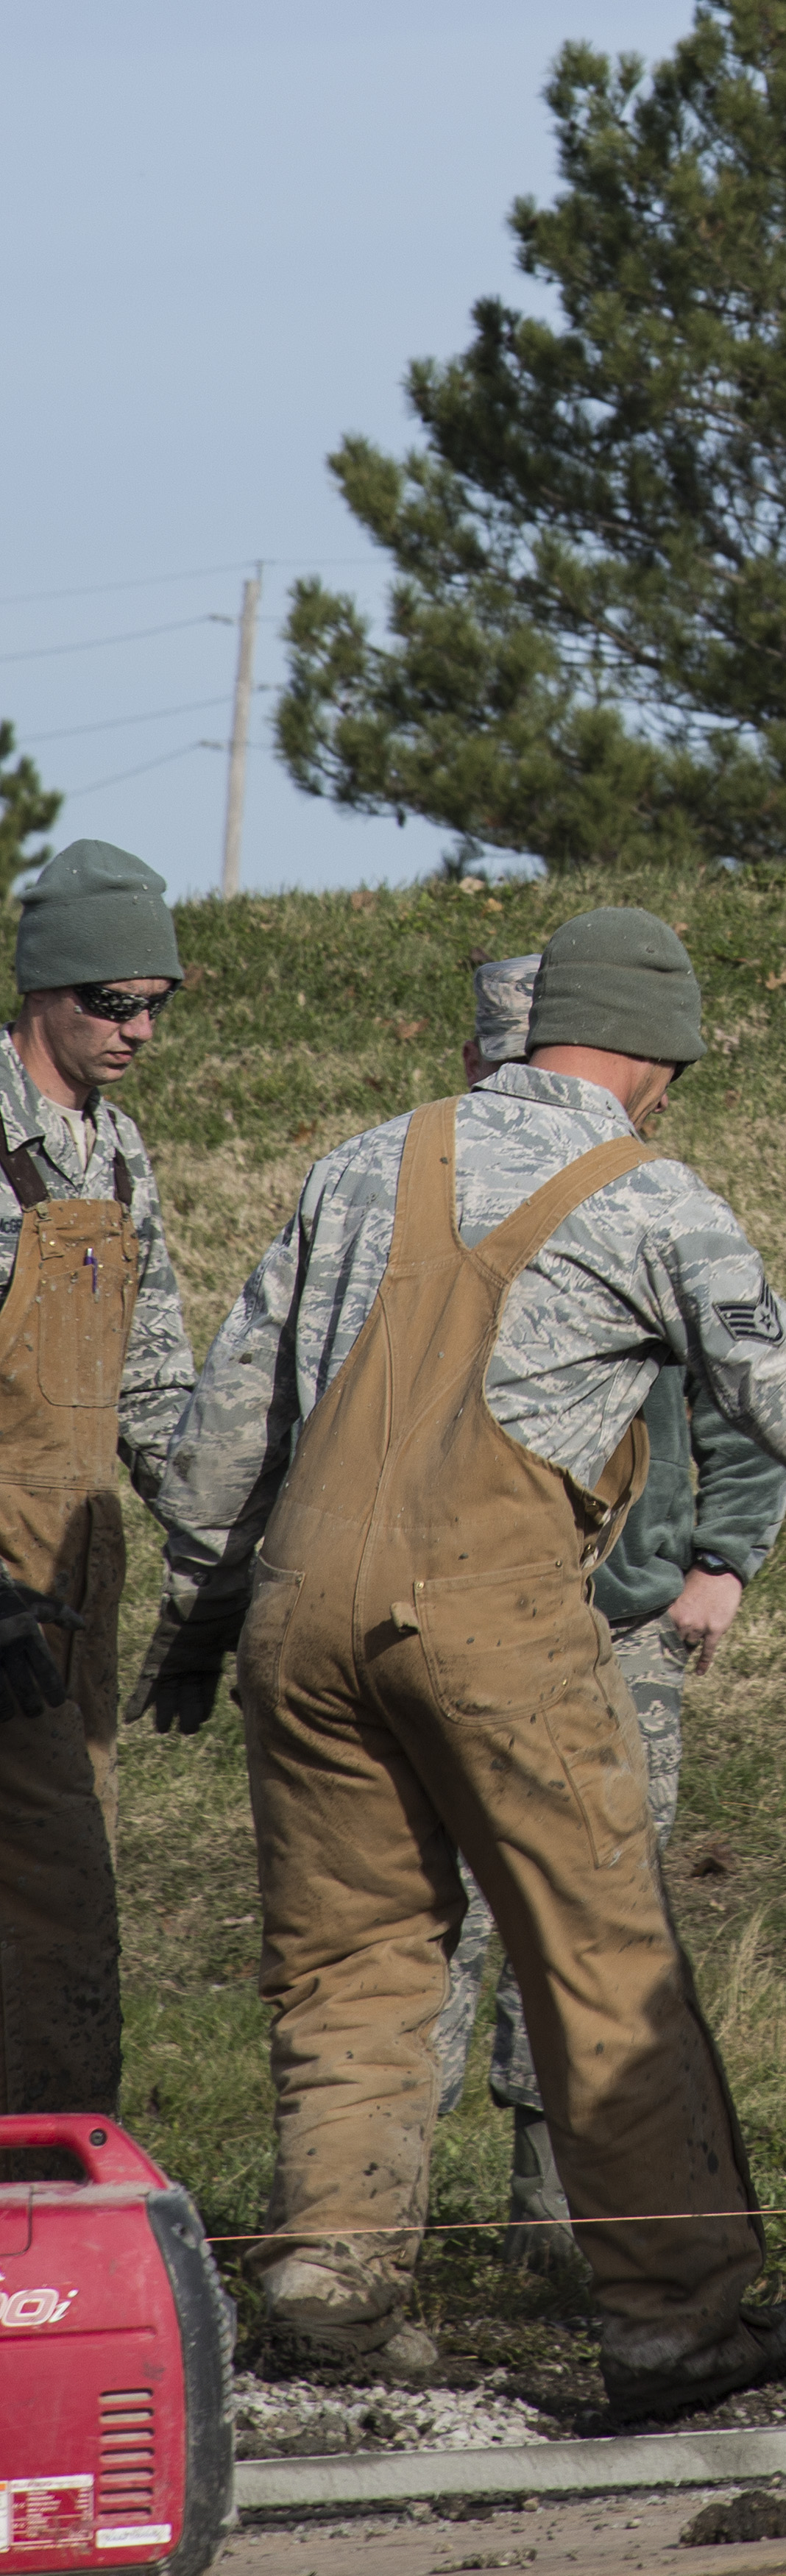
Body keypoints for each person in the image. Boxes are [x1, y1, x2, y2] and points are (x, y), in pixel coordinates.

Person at [135, 904, 786, 2416]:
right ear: (657, 1052)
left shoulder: (363, 1159)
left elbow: (222, 1439)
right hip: (491, 1613)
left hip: (297, 1612)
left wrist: (199, 1621)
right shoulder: (647, 1197)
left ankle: (328, 2276)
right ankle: (677, 2317)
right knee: (599, 1951)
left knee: (353, 1955)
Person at [428, 955, 786, 2278]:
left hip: (618, 1627)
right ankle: (387, 2224)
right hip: (447, 1624)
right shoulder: (417, 1204)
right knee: (437, 1926)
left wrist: (722, 1562)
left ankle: (561, 2222)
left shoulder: (654, 1208)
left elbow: (743, 1396)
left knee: (595, 1916)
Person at [0, 839, 197, 2108]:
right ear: (41, 992)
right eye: (109, 1003)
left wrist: (236, 1539)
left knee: (63, 1891)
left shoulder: (118, 1156)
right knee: (51, 1898)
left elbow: (161, 1390)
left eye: (155, 1007)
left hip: (75, 1581)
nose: (135, 1030)